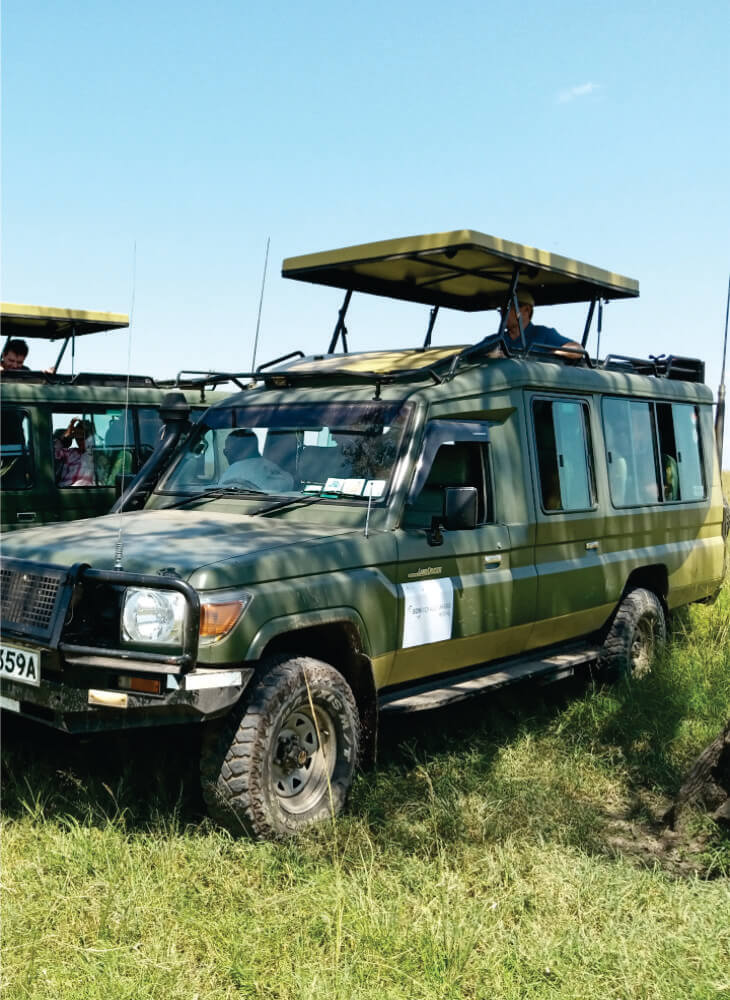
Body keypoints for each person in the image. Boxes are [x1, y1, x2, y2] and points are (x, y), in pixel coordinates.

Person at [492, 290, 582, 357]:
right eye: (501, 309)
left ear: (527, 310)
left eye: (508, 308)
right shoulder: (496, 339)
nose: (502, 313)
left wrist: (551, 355)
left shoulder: (542, 333)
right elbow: (478, 351)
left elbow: (578, 350)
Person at [220, 429, 294, 491]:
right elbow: (290, 484)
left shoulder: (232, 472)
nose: (225, 454)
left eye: (226, 451)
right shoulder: (275, 470)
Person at [54, 418, 98, 486]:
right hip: (64, 491)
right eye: (77, 436)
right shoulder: (70, 453)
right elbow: (52, 452)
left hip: (82, 492)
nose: (79, 439)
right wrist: (66, 437)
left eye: (84, 435)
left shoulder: (97, 455)